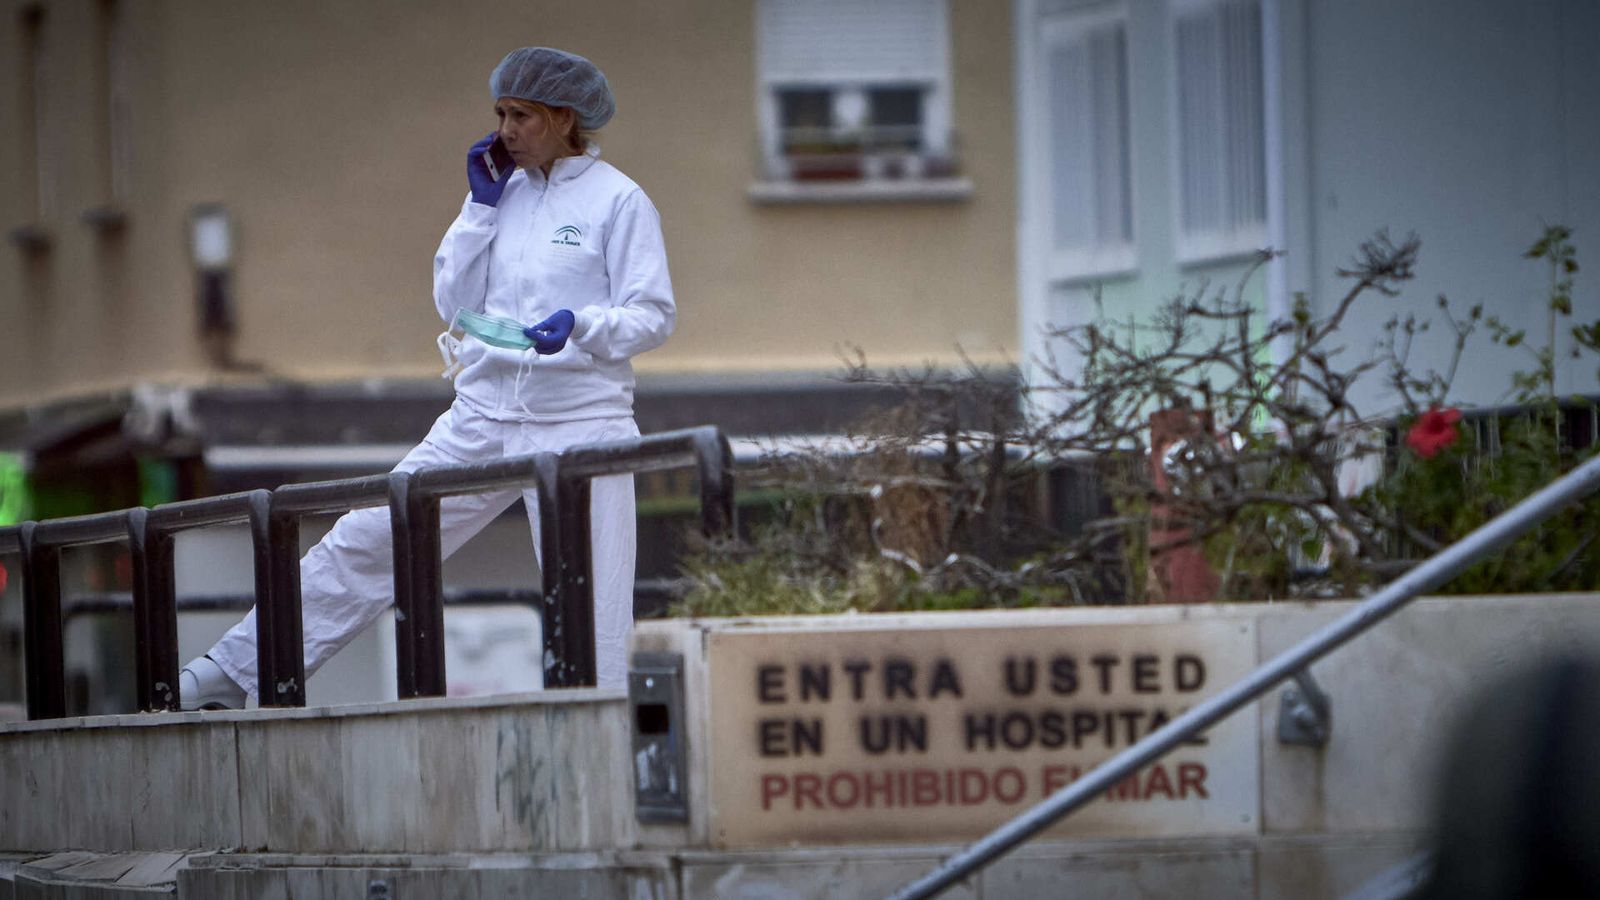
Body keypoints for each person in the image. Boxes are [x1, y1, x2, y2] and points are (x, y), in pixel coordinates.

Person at [179, 47, 675, 709]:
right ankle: (231, 673)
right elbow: (453, 301)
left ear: (563, 117)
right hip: (483, 412)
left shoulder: (620, 201)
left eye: (521, 115)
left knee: (591, 594)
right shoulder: (503, 196)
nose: (504, 129)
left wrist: (581, 327)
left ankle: (611, 745)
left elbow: (652, 313)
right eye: (500, 113)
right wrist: (479, 209)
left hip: (581, 421)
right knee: (373, 533)